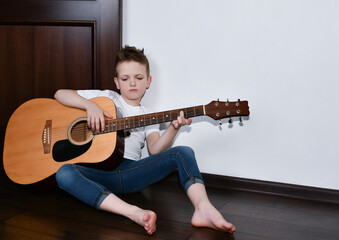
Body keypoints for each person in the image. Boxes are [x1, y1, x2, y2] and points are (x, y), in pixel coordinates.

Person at [54, 45, 236, 235]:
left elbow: (155, 150)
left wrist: (174, 128)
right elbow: (60, 94)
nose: (132, 83)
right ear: (116, 82)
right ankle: (133, 213)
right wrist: (89, 106)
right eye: (125, 79)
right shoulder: (106, 97)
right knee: (64, 173)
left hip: (130, 172)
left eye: (139, 78)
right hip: (97, 172)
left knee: (184, 152)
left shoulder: (148, 115)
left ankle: (203, 208)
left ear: (148, 81)